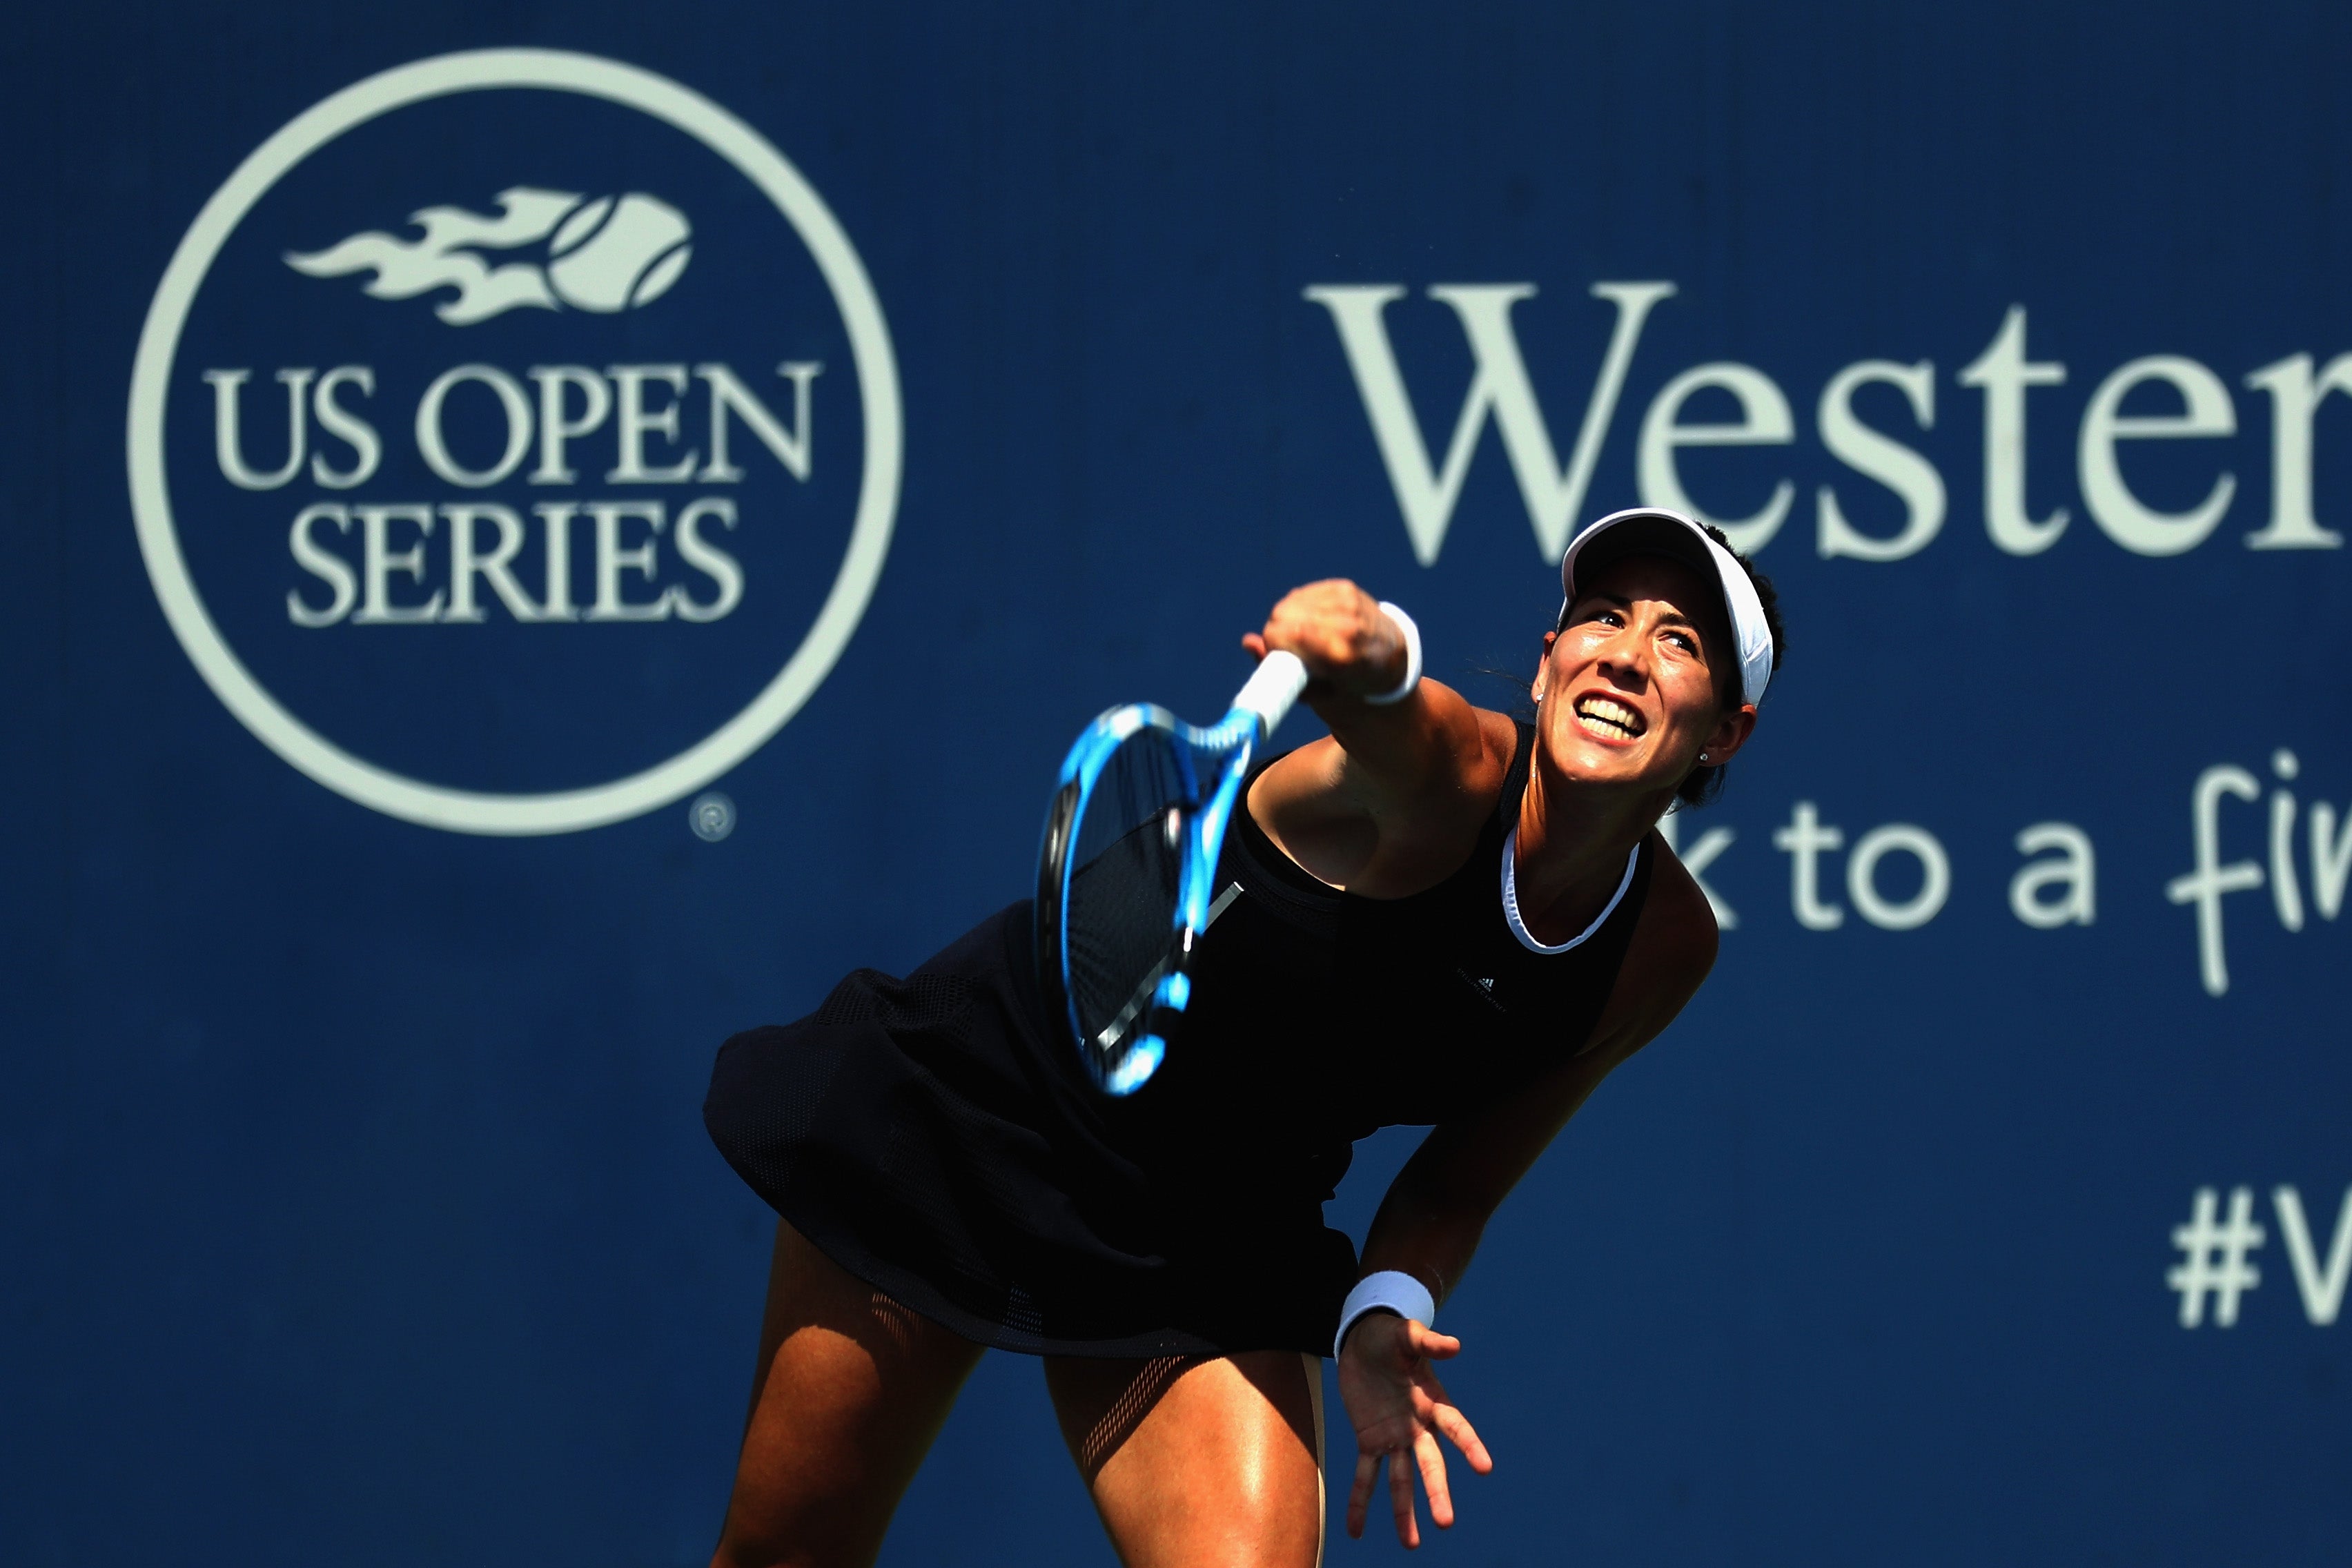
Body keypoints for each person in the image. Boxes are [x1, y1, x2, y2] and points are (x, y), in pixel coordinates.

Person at [703, 507, 1784, 1567]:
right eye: (1601, 619)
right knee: (789, 1554)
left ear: (1725, 729)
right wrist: (1374, 652)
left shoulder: (1661, 947)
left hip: (1216, 1224)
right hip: (982, 1109)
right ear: (1549, 663)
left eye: (1679, 642)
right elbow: (1398, 719)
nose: (1627, 657)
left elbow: (1456, 1187)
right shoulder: (1453, 778)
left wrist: (1383, 1309)